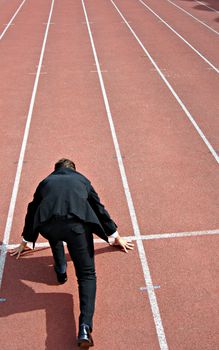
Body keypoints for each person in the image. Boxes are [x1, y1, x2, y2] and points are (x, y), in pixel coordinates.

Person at [10, 158, 134, 348]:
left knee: (55, 230)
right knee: (86, 275)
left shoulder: (45, 182)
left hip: (49, 226)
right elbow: (98, 208)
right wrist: (114, 235)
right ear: (74, 170)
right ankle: (85, 327)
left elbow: (32, 209)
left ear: (55, 171)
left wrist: (26, 240)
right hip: (76, 227)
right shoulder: (82, 180)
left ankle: (60, 271)